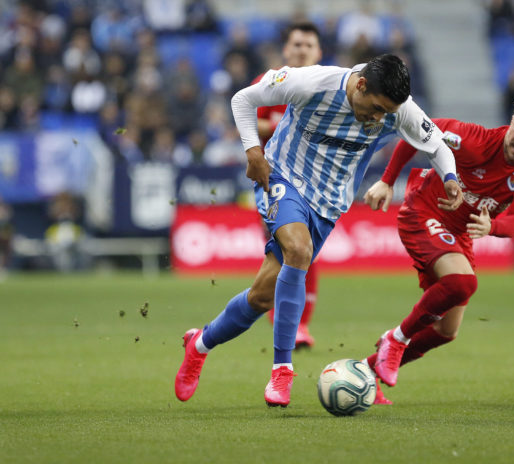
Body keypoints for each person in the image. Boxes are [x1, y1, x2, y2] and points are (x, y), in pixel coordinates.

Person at [175, 54, 464, 407]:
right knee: (299, 250)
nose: (379, 118)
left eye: (386, 113)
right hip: (282, 178)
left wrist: (449, 178)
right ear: (360, 84)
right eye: (375, 108)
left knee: (262, 296)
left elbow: (437, 145)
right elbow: (242, 98)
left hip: (329, 204)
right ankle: (282, 369)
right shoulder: (312, 82)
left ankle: (200, 343)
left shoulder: (399, 109)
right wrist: (253, 152)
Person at [362, 90, 514, 404]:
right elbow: (418, 129)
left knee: (446, 330)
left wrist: (492, 226)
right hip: (423, 211)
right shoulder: (475, 139)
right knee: (463, 283)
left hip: (459, 234)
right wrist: (388, 180)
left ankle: (365, 373)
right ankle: (396, 338)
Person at [250, 22, 323, 348]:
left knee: (307, 254)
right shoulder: (270, 82)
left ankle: (298, 324)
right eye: (297, 44)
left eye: (308, 45)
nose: (302, 50)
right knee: (287, 251)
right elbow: (246, 118)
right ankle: (285, 322)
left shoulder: (328, 85)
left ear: (318, 52)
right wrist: (280, 123)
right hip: (275, 182)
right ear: (286, 50)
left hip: (315, 184)